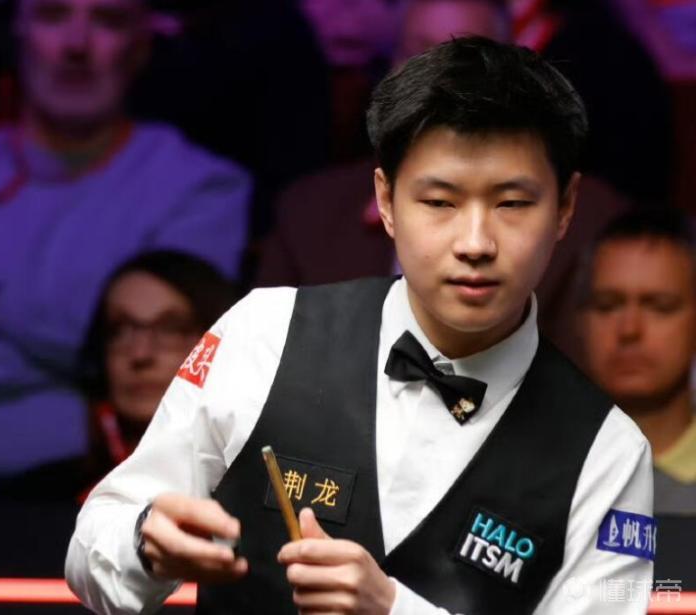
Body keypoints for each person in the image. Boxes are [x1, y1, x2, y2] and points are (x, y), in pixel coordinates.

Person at [66, 37, 653, 614]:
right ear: (387, 202)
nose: (476, 243)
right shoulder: (265, 333)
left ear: (565, 208)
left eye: (512, 204)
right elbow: (92, 547)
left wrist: (393, 610)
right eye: (440, 202)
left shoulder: (608, 452)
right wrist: (143, 541)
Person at [256, 0, 632, 364]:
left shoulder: (592, 218)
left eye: (466, 60)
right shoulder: (310, 210)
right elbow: (264, 363)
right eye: (419, 56)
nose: (440, 82)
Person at [0, 0, 251, 481]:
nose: (76, 45)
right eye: (52, 15)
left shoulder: (199, 188)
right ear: (16, 33)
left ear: (141, 46)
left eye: (108, 20)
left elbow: (154, 363)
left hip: (92, 479)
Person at [0, 250, 236, 502]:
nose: (140, 354)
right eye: (119, 330)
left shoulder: (259, 497)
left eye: (172, 328)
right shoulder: (31, 501)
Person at [581, 210, 696, 514]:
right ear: (580, 321)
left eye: (660, 307)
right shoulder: (527, 464)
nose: (629, 329)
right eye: (607, 305)